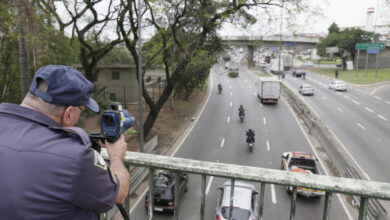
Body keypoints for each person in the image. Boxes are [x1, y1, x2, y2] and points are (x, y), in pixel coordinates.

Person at [0, 65, 130, 219]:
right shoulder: (75, 157)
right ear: (68, 114)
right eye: (81, 110)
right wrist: (116, 156)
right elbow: (119, 193)